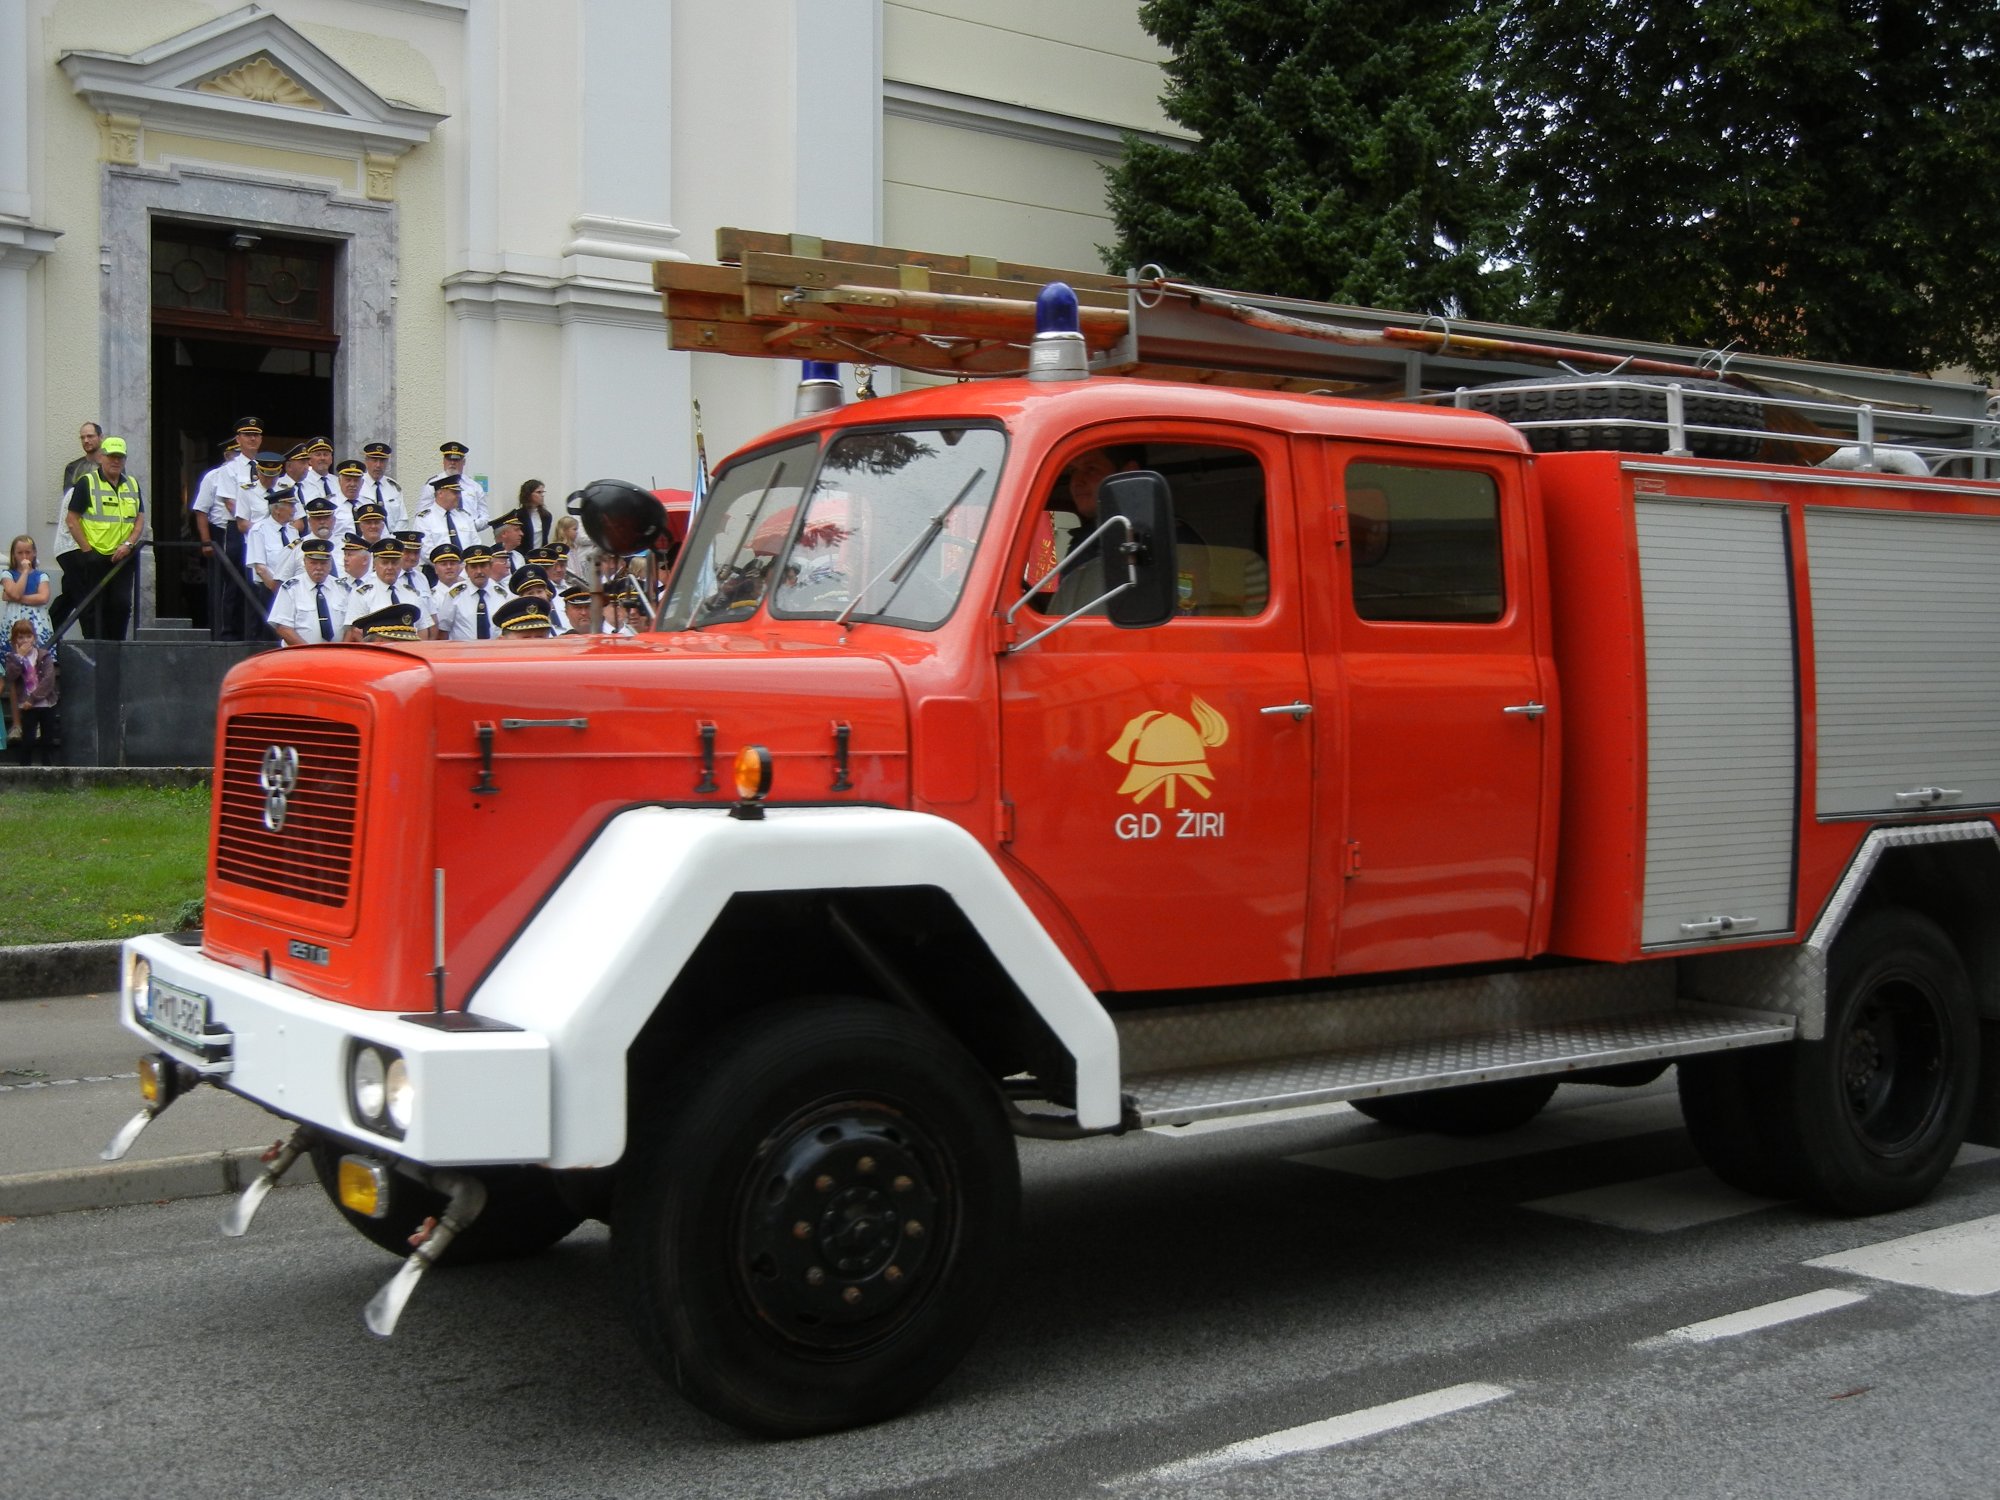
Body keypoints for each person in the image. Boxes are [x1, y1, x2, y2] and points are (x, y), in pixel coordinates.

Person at [63, 435, 144, 640]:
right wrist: (88, 551)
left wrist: (128, 544)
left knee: (122, 604)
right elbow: (72, 520)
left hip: (123, 556)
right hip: (96, 556)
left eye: (120, 457)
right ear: (101, 457)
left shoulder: (132, 484)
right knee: (95, 607)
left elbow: (139, 519)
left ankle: (116, 646)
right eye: (111, 456)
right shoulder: (87, 483)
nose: (116, 461)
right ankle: (97, 647)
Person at [189, 437, 243, 638]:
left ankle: (241, 630)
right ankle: (221, 631)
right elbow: (201, 511)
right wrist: (206, 541)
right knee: (223, 586)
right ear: (227, 455)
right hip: (221, 532)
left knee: (242, 584)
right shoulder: (213, 477)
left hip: (244, 533)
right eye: (236, 454)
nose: (239, 458)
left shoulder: (251, 474)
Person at [265, 537, 343, 647]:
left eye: (323, 563)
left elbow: (351, 627)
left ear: (330, 565)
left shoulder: (342, 588)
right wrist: (309, 651)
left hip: (337, 653)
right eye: (313, 563)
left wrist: (342, 650)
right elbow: (283, 627)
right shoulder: (291, 588)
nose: (319, 568)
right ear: (304, 563)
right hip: (301, 653)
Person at [4, 617, 58, 764]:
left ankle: (48, 768)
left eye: (28, 636)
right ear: (14, 640)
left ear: (34, 637)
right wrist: (19, 657)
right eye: (21, 637)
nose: (25, 640)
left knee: (47, 739)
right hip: (27, 706)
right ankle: (24, 768)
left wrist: (32, 698)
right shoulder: (12, 658)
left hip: (45, 703)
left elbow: (48, 680)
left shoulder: (44, 655)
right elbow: (11, 676)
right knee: (28, 740)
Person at [1, 534, 54, 647]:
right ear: (14, 554)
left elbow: (43, 597)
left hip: (37, 618)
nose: (24, 556)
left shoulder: (41, 576)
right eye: (20, 553)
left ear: (34, 553)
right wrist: (25, 572)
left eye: (28, 552)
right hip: (14, 617)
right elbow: (16, 593)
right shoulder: (8, 574)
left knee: (38, 648)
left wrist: (12, 598)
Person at [459, 544, 507, 640]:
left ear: (491, 566)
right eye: (473, 567)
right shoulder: (455, 595)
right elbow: (444, 631)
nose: (479, 571)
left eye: (483, 566)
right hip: (463, 649)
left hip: (495, 648)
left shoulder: (503, 595)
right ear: (466, 570)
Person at [359, 442, 405, 529]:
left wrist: (393, 537)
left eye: (382, 461)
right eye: (374, 460)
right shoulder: (357, 486)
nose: (378, 465)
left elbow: (402, 520)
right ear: (366, 461)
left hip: (392, 536)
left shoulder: (393, 488)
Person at [514, 479, 556, 551]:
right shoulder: (518, 516)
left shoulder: (546, 516)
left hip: (541, 555)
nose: (542, 495)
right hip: (523, 555)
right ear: (528, 494)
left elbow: (544, 540)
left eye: (543, 492)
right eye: (538, 492)